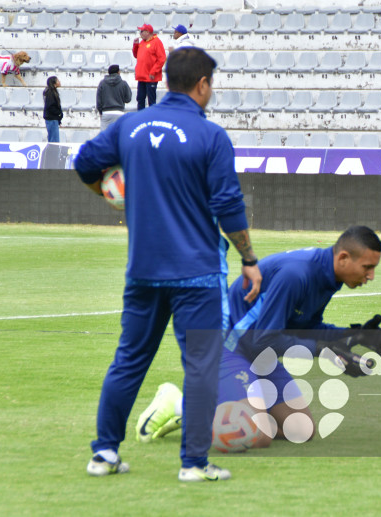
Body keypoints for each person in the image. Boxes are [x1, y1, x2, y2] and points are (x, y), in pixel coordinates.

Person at [74, 47, 263, 482]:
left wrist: (108, 193)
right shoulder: (210, 136)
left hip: (142, 269)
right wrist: (248, 258)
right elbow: (228, 204)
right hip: (196, 272)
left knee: (129, 360)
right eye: (210, 84)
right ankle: (193, 464)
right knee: (199, 366)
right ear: (201, 85)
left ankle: (103, 454)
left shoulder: (131, 125)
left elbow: (85, 163)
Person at [134, 226, 381, 448]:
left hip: (258, 352)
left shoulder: (327, 276)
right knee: (252, 435)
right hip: (228, 345)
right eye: (367, 267)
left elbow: (303, 327)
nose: (371, 276)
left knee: (301, 431)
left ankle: (233, 408)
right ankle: (181, 403)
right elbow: (265, 339)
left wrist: (357, 335)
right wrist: (323, 349)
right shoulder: (298, 275)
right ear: (343, 258)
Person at [132, 23, 166, 111]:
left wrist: (153, 71)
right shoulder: (142, 42)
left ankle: (152, 118)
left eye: (141, 31)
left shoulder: (156, 42)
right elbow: (136, 55)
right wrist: (135, 45)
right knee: (140, 98)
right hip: (142, 76)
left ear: (147, 32)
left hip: (151, 77)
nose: (140, 33)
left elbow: (162, 58)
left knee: (151, 100)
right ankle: (140, 118)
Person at [95, 64, 132, 131]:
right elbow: (128, 99)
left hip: (106, 112)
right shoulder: (123, 83)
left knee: (104, 137)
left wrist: (101, 112)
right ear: (118, 72)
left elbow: (99, 101)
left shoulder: (102, 83)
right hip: (119, 112)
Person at [42, 76, 63, 142]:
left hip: (53, 119)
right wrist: (59, 114)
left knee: (53, 139)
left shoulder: (51, 92)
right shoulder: (50, 93)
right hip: (52, 119)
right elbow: (50, 106)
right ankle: (53, 152)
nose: (59, 82)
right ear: (54, 84)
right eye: (58, 81)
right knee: (54, 140)